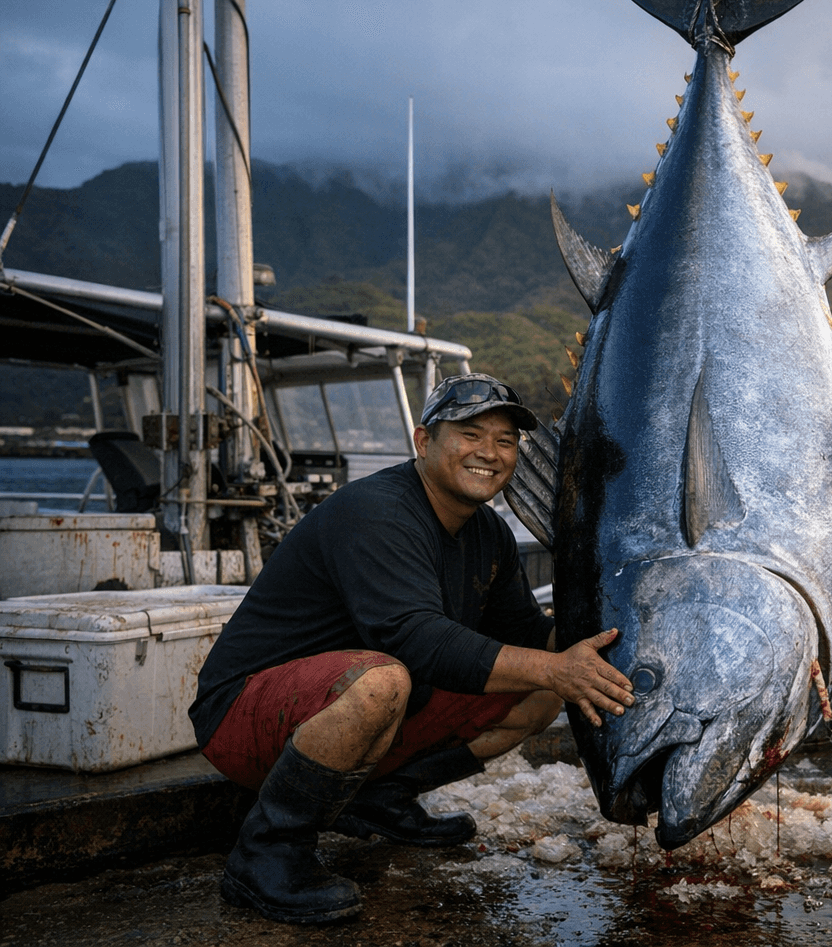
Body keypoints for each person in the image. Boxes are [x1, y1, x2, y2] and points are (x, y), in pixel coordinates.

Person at [189, 373, 635, 925]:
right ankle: (266, 851)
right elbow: (414, 639)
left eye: (504, 441)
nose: (489, 454)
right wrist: (555, 667)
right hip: (244, 716)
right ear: (424, 442)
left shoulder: (488, 534)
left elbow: (523, 630)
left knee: (539, 692)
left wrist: (609, 644)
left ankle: (381, 799)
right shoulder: (378, 511)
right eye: (470, 434)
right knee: (384, 680)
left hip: (360, 709)